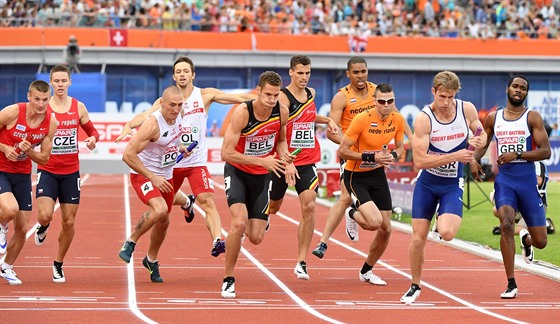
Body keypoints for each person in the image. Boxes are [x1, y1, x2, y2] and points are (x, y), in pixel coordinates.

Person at [115, 56, 255, 257]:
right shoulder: (164, 102)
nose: (182, 74)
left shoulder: (204, 96)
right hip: (171, 164)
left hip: (195, 160)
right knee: (164, 215)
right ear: (174, 76)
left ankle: (217, 239)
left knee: (207, 200)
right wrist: (129, 125)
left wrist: (261, 99)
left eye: (185, 71)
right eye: (178, 71)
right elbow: (144, 116)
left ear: (193, 74)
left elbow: (238, 99)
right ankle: (185, 204)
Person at [312, 56, 413, 259]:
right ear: (348, 74)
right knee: (344, 196)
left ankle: (354, 213)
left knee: (376, 217)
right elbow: (331, 131)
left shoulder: (377, 92)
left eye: (363, 71)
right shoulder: (342, 97)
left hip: (374, 153)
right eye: (356, 72)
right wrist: (354, 145)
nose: (360, 76)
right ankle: (323, 241)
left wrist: (412, 138)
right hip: (352, 153)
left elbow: (396, 116)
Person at [401, 70, 486, 304]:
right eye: (442, 97)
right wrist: (455, 155)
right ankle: (415, 284)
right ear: (433, 92)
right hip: (427, 183)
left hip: (451, 184)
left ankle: (441, 218)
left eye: (450, 97)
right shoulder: (424, 118)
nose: (446, 103)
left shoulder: (466, 108)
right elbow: (419, 161)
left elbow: (481, 132)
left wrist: (479, 142)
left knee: (447, 233)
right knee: (418, 237)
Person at [470, 75, 551, 299]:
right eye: (515, 86)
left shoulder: (532, 117)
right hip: (505, 180)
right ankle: (511, 283)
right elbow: (482, 144)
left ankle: (526, 239)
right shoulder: (493, 118)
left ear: (526, 93)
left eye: (523, 88)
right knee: (505, 224)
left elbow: (546, 151)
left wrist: (518, 154)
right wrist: (474, 159)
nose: (518, 90)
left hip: (526, 181)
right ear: (508, 90)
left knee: (542, 242)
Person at [220, 71, 294, 298]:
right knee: (238, 224)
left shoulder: (281, 112)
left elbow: (281, 141)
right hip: (238, 172)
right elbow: (226, 153)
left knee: (256, 237)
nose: (272, 100)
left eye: (275, 96)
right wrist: (261, 160)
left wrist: (286, 158)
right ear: (259, 91)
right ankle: (228, 279)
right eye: (268, 95)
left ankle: (260, 222)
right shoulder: (243, 112)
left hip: (262, 175)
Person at [268, 55, 338, 280]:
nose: (304, 77)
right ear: (291, 73)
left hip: (307, 159)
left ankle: (301, 261)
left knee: (309, 205)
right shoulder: (282, 99)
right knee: (274, 206)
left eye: (307, 73)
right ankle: (266, 213)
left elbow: (306, 117)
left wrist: (326, 120)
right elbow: (281, 132)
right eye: (300, 73)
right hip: (284, 159)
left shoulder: (311, 94)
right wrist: (287, 162)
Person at [33, 64, 99, 283]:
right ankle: (43, 227)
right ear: (50, 82)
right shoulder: (43, 109)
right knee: (44, 215)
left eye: (64, 81)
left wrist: (92, 139)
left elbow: (93, 132)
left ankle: (58, 264)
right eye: (56, 81)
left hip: (71, 172)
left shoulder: (78, 107)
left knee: (69, 222)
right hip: (48, 169)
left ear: (70, 82)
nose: (60, 85)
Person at [118, 86, 189, 283]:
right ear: (162, 104)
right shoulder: (153, 124)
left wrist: (181, 148)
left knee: (164, 220)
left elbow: (172, 139)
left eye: (179, 105)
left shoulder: (179, 115)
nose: (175, 109)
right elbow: (127, 155)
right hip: (144, 175)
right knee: (159, 209)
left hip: (166, 175)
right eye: (172, 105)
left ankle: (151, 260)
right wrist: (152, 177)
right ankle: (130, 241)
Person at [338, 83, 406, 286]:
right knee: (374, 222)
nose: (386, 105)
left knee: (386, 228)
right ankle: (351, 212)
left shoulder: (398, 119)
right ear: (374, 102)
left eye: (390, 101)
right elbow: (342, 151)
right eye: (382, 101)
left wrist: (392, 155)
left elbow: (401, 148)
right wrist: (371, 156)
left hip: (377, 175)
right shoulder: (361, 119)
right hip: (355, 175)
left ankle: (367, 270)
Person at [0, 80, 57, 285]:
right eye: (37, 99)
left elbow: (44, 159)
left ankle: (7, 267)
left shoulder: (51, 123)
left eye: (45, 100)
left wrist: (29, 150)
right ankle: (1, 226)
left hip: (23, 175)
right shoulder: (12, 112)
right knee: (10, 209)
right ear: (28, 97)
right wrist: (5, 148)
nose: (41, 104)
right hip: (1, 170)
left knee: (23, 228)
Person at [491, 161, 550, 237]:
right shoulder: (521, 163)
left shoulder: (538, 163)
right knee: (497, 209)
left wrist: (521, 177)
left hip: (536, 203)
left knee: (521, 231)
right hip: (521, 203)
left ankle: (545, 224)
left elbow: (538, 181)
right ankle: (510, 224)